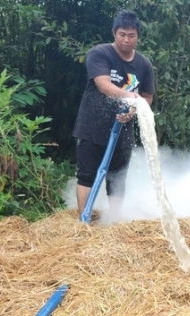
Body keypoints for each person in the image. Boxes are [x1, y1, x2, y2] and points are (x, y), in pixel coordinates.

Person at [72, 10, 155, 220]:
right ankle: (85, 222)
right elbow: (104, 85)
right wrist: (129, 96)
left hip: (123, 132)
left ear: (138, 36)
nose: (126, 40)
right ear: (114, 33)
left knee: (117, 178)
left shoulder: (144, 65)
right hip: (92, 129)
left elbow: (147, 97)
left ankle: (114, 221)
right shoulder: (100, 54)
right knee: (87, 175)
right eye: (122, 34)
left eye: (131, 35)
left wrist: (133, 109)